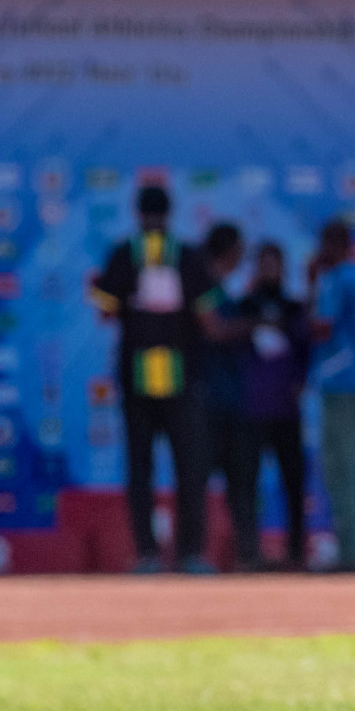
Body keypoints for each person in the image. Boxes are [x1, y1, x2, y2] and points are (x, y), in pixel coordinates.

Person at [89, 185, 226, 575]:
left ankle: (148, 555)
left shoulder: (123, 254)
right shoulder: (187, 255)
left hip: (138, 377)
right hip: (181, 377)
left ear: (137, 212)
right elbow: (208, 318)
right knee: (190, 469)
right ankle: (191, 555)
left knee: (140, 469)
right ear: (170, 212)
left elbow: (105, 311)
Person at [309, 219, 355, 572]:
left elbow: (321, 326)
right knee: (352, 469)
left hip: (342, 385)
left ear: (334, 245)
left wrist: (311, 285)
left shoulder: (337, 279)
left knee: (342, 471)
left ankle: (354, 555)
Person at [237, 242, 311, 570]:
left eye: (275, 264)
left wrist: (298, 384)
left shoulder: (294, 308)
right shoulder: (244, 307)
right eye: (263, 264)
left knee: (293, 484)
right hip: (252, 411)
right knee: (246, 484)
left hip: (286, 411)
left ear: (283, 268)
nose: (269, 270)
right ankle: (249, 553)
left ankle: (296, 553)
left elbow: (305, 352)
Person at [194, 224, 257, 569]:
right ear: (230, 250)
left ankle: (248, 556)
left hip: (233, 402)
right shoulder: (205, 286)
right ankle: (194, 554)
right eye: (239, 251)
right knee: (199, 481)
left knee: (242, 484)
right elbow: (213, 329)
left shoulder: (222, 289)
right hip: (208, 402)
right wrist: (253, 325)